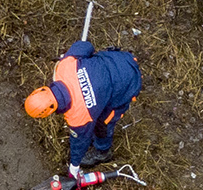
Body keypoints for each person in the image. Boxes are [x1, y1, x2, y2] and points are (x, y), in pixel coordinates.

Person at [23, 40, 141, 175]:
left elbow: (80, 142)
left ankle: (102, 151)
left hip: (128, 82)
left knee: (103, 123)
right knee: (95, 110)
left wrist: (74, 165)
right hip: (119, 58)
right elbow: (85, 46)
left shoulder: (78, 116)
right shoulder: (64, 66)